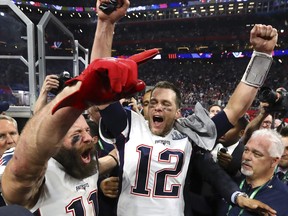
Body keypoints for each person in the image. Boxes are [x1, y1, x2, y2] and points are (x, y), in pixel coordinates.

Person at [96, 24, 279, 216]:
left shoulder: (190, 135)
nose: (158, 107)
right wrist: (106, 23)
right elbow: (99, 82)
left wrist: (262, 55)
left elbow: (235, 108)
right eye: (154, 103)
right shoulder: (130, 126)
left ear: (178, 113)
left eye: (166, 104)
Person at [1, 0, 137, 215]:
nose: (88, 138)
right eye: (75, 135)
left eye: (85, 130)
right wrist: (76, 97)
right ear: (53, 144)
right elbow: (20, 172)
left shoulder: (82, 161)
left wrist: (106, 24)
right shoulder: (42, 175)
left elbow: (99, 75)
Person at [219, 129, 288, 216]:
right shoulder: (229, 183)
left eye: (257, 154)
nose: (247, 157)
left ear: (274, 161)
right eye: (246, 150)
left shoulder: (284, 198)